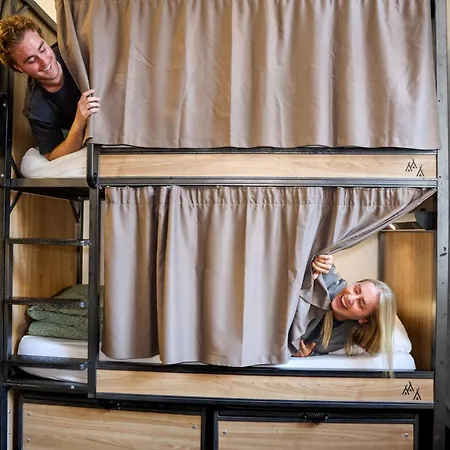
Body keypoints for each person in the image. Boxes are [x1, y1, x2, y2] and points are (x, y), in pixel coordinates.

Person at [0, 15, 100, 161]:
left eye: (42, 49)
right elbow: (53, 154)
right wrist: (79, 123)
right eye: (31, 60)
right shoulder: (36, 108)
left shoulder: (74, 48)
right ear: (19, 68)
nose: (44, 61)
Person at [293, 254, 396, 370]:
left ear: (363, 319)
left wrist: (307, 352)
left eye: (360, 304)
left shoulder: (346, 336)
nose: (350, 298)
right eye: (356, 290)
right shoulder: (326, 279)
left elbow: (317, 347)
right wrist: (319, 260)